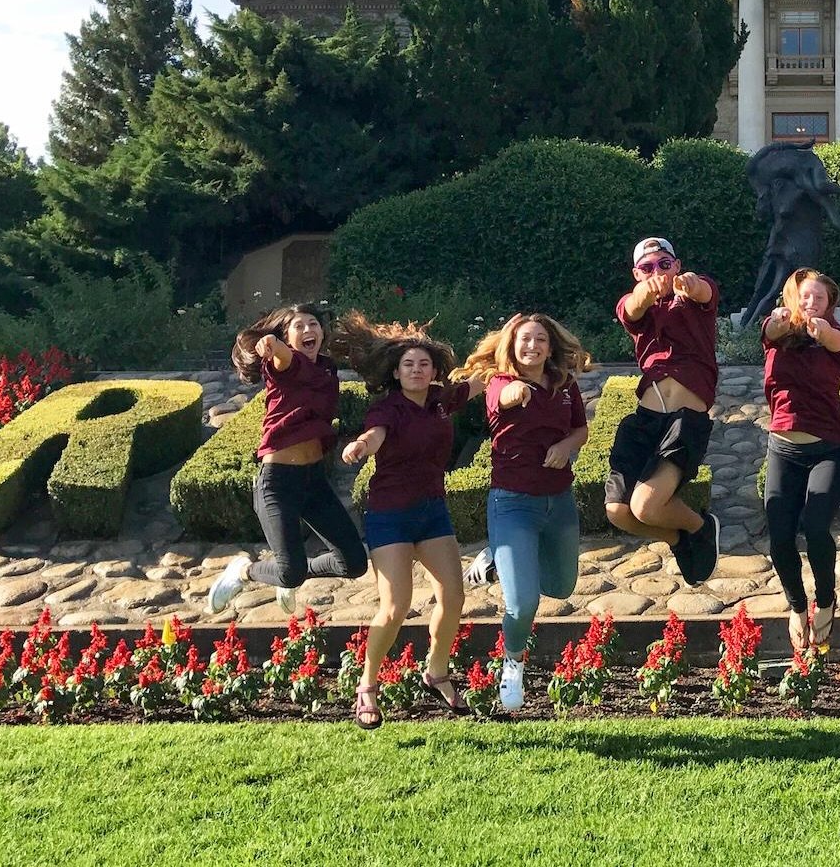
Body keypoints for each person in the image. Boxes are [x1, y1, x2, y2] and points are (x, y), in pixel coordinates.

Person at [452, 313, 592, 713]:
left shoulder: (565, 384)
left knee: (563, 587)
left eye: (540, 340)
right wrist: (517, 392)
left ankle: (496, 555)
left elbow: (580, 429)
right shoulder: (499, 383)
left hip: (559, 501)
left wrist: (567, 446)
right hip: (513, 503)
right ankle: (512, 663)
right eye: (525, 340)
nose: (532, 346)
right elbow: (503, 398)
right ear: (511, 345)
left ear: (550, 347)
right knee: (523, 602)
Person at [336, 314, 470, 729]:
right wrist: (360, 445)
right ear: (396, 371)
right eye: (409, 364)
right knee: (395, 608)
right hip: (390, 515)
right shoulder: (387, 409)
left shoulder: (441, 401)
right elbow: (374, 435)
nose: (417, 370)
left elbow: (485, 379)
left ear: (434, 372)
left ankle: (437, 671)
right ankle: (368, 686)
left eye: (424, 365)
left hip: (432, 512)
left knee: (453, 597)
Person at [209, 305, 369, 619]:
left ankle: (286, 574)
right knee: (290, 572)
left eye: (314, 324)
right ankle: (244, 571)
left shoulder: (326, 368)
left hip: (314, 481)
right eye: (299, 326)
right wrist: (271, 344)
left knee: (353, 563)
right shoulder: (285, 364)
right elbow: (281, 353)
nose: (309, 330)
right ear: (287, 336)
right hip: (278, 483)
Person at [608, 236, 722, 584]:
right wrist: (649, 289)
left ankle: (702, 527)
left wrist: (690, 284)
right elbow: (633, 306)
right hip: (646, 420)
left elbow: (706, 291)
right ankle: (678, 538)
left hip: (684, 421)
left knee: (646, 506)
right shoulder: (634, 303)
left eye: (664, 264)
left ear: (677, 264)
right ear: (636, 273)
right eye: (647, 267)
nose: (657, 272)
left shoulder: (695, 298)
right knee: (618, 512)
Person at [760, 268, 840, 655]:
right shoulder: (776, 332)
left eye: (819, 297)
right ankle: (798, 606)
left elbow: (835, 342)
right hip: (783, 448)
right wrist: (783, 321)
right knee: (780, 538)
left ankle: (827, 600)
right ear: (791, 298)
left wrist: (820, 329)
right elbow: (770, 330)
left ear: (829, 303)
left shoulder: (836, 337)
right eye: (805, 296)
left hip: (827, 448)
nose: (811, 302)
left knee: (816, 527)